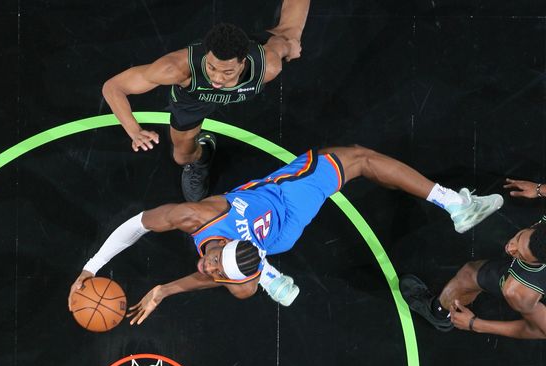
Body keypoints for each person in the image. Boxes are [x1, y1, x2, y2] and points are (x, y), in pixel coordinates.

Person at [68, 146, 504, 324]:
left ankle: (271, 277)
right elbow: (137, 227)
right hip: (284, 216)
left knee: (362, 161)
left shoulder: (199, 227)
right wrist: (92, 266)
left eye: (209, 265)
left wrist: (164, 288)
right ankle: (455, 204)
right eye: (211, 264)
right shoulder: (197, 218)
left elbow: (139, 229)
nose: (203, 266)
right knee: (358, 161)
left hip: (280, 225)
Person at [102, 0, 311, 202]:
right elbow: (113, 87)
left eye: (227, 71)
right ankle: (203, 154)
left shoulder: (269, 66)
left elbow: (280, 44)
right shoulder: (176, 68)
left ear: (243, 62)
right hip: (193, 100)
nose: (218, 78)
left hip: (247, 71)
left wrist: (289, 44)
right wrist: (134, 131)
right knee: (182, 157)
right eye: (212, 68)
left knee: (290, 33)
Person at [401, 178, 546, 338]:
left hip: (528, 283)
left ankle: (439, 314)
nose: (510, 248)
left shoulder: (520, 291)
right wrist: (540, 189)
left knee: (469, 274)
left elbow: (538, 330)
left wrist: (475, 324)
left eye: (520, 254)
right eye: (518, 238)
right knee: (473, 271)